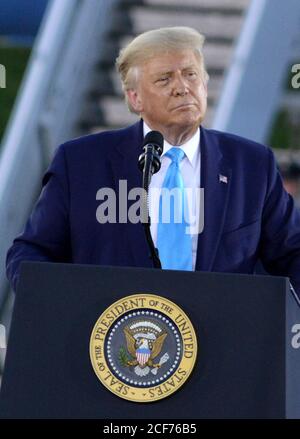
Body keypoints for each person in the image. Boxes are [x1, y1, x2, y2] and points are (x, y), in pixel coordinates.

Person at [6, 27, 300, 301]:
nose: (182, 87)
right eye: (164, 79)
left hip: (220, 342)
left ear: (205, 85)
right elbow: (31, 254)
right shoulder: (82, 163)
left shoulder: (251, 164)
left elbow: (292, 253)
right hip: (112, 342)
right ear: (135, 99)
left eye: (191, 75)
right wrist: (65, 309)